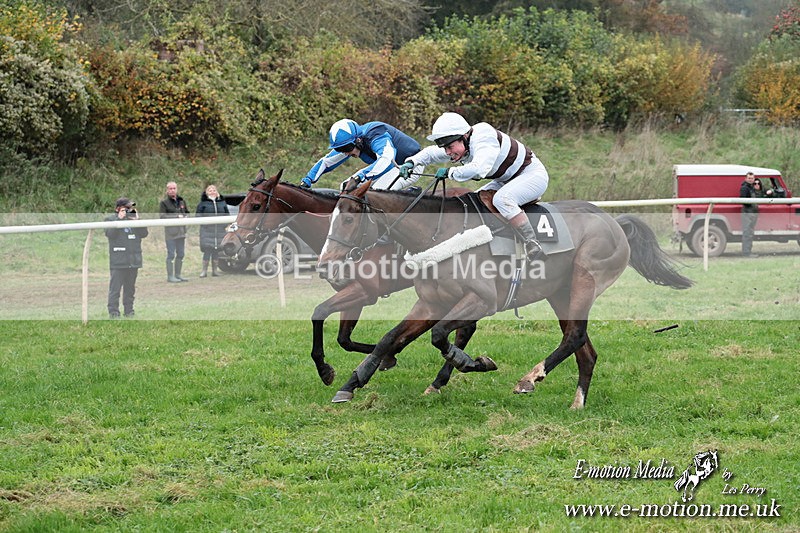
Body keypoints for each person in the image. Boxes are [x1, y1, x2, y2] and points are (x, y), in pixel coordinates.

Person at [399, 112, 549, 261]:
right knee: (473, 201)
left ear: (464, 137)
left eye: (449, 147)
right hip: (505, 180)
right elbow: (431, 153)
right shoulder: (462, 142)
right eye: (445, 148)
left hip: (532, 175)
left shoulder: (484, 138)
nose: (447, 153)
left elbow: (479, 169)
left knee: (502, 200)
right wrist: (412, 162)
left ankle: (532, 243)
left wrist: (449, 172)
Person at [301, 119, 424, 190]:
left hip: (410, 164)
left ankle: (407, 197)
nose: (345, 152)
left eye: (346, 148)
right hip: (389, 165)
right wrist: (307, 181)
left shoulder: (376, 134)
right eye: (340, 149)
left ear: (358, 140)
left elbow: (387, 160)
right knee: (345, 187)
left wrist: (361, 176)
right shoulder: (351, 143)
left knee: (377, 192)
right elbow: (326, 162)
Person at [105, 198, 148, 318]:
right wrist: (119, 219)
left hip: (133, 260)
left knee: (130, 289)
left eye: (130, 208)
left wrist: (138, 221)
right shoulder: (110, 219)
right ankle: (113, 312)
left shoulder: (133, 220)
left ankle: (129, 311)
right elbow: (110, 234)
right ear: (118, 209)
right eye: (126, 208)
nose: (129, 210)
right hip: (118, 261)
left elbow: (144, 234)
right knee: (115, 289)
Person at [195, 184, 230, 277]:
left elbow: (227, 215)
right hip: (207, 231)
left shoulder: (222, 203)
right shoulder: (202, 204)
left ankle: (215, 271)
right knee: (207, 250)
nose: (212, 192)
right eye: (210, 190)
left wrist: (224, 225)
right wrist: (206, 224)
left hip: (219, 231)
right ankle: (204, 271)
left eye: (214, 190)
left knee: (216, 251)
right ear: (206, 193)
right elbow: (198, 216)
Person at [159, 181, 190, 282]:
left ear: (177, 189)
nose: (172, 190)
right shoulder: (164, 203)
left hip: (181, 232)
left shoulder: (182, 201)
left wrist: (185, 217)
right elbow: (162, 216)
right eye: (170, 189)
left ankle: (178, 274)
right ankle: (170, 276)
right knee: (171, 255)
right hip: (171, 233)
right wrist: (177, 216)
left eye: (174, 188)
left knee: (181, 254)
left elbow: (187, 213)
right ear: (167, 190)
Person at [739, 172, 760, 257]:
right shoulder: (744, 188)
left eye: (752, 178)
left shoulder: (753, 188)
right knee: (747, 232)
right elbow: (743, 200)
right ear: (746, 179)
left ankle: (748, 251)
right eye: (749, 178)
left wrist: (757, 190)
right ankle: (746, 253)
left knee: (750, 232)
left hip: (753, 212)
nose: (751, 180)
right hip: (747, 212)